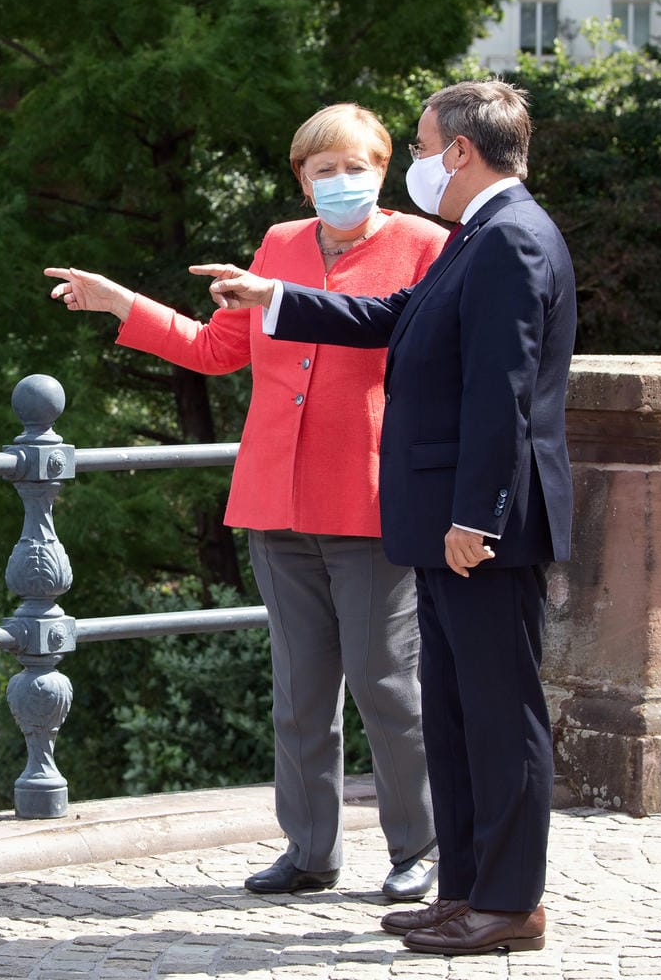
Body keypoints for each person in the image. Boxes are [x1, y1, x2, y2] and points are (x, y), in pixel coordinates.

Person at [193, 79, 575, 957]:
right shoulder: (480, 235)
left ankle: (510, 906)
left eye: (421, 145)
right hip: (441, 524)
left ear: (463, 154)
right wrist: (276, 300)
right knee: (453, 711)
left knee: (499, 713)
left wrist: (475, 517)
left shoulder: (511, 239)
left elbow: (501, 397)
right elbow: (398, 318)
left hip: (482, 529)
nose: (414, 163)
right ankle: (465, 890)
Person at [44, 103, 446, 904]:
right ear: (302, 180)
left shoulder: (423, 247)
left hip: (367, 500)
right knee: (299, 694)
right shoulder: (280, 245)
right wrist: (124, 302)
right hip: (277, 496)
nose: (341, 180)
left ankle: (421, 850)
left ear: (384, 165)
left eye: (356, 164)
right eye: (323, 169)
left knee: (388, 687)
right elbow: (216, 349)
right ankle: (308, 851)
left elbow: (426, 353)